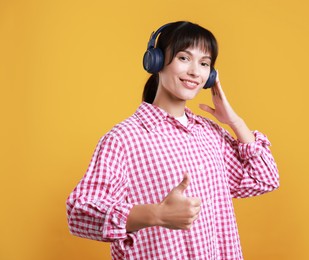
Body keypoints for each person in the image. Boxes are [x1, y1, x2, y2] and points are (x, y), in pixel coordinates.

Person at [66, 21, 280, 260]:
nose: (195, 72)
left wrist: (234, 121)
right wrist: (156, 214)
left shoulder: (209, 134)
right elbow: (79, 213)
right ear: (155, 61)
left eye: (204, 63)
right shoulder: (124, 139)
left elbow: (265, 178)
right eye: (184, 58)